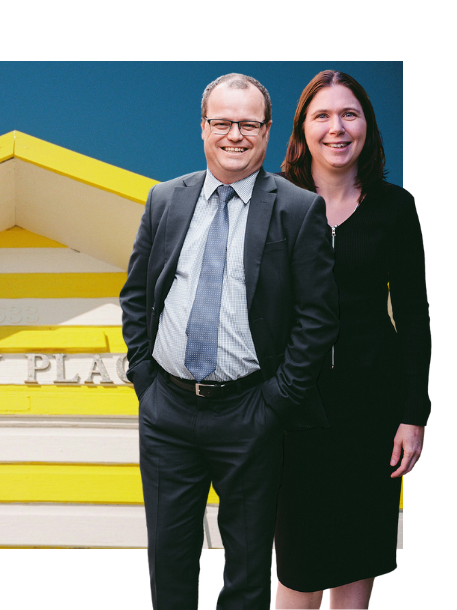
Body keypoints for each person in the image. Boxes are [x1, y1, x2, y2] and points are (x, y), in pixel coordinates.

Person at [120, 73, 340, 610]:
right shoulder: (165, 200)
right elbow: (136, 297)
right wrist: (145, 380)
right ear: (203, 128)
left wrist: (275, 404)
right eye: (222, 122)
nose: (234, 135)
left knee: (246, 569)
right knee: (169, 560)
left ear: (266, 132)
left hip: (251, 413)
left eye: (248, 124)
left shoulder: (297, 208)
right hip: (167, 410)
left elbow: (318, 318)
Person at [274, 70, 430, 610]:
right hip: (297, 411)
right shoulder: (274, 205)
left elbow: (413, 313)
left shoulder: (395, 207)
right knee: (298, 567)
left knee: (357, 561)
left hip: (373, 412)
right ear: (303, 130)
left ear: (366, 125)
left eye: (349, 113)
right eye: (322, 115)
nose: (336, 127)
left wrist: (414, 413)